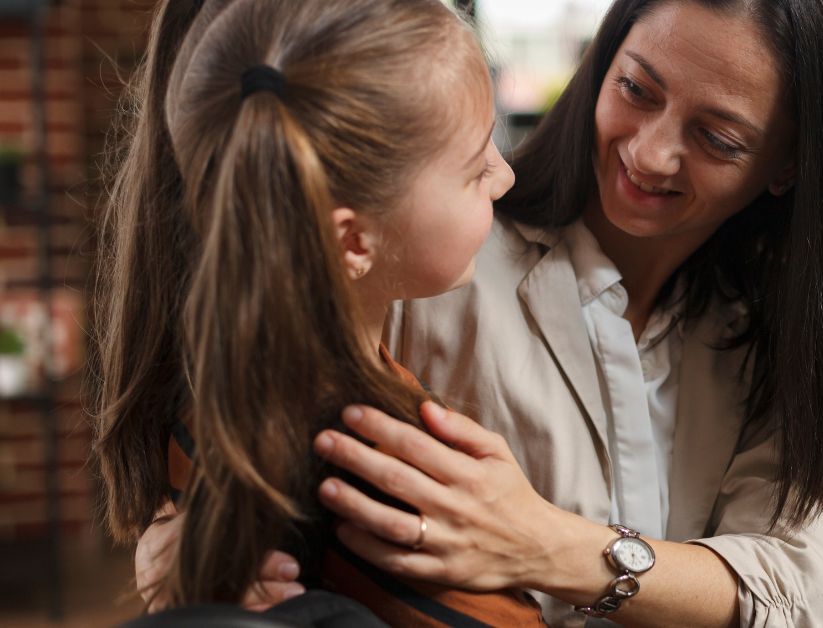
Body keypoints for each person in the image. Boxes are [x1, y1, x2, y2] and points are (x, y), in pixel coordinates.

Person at [138, 0, 823, 625]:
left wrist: (547, 547)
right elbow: (264, 439)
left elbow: (798, 593)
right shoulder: (434, 259)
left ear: (791, 163)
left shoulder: (783, 334)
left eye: (716, 137)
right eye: (636, 88)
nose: (648, 153)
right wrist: (195, 544)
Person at [91, 0, 543, 624]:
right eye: (474, 169)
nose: (505, 176)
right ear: (353, 241)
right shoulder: (378, 474)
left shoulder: (221, 389)